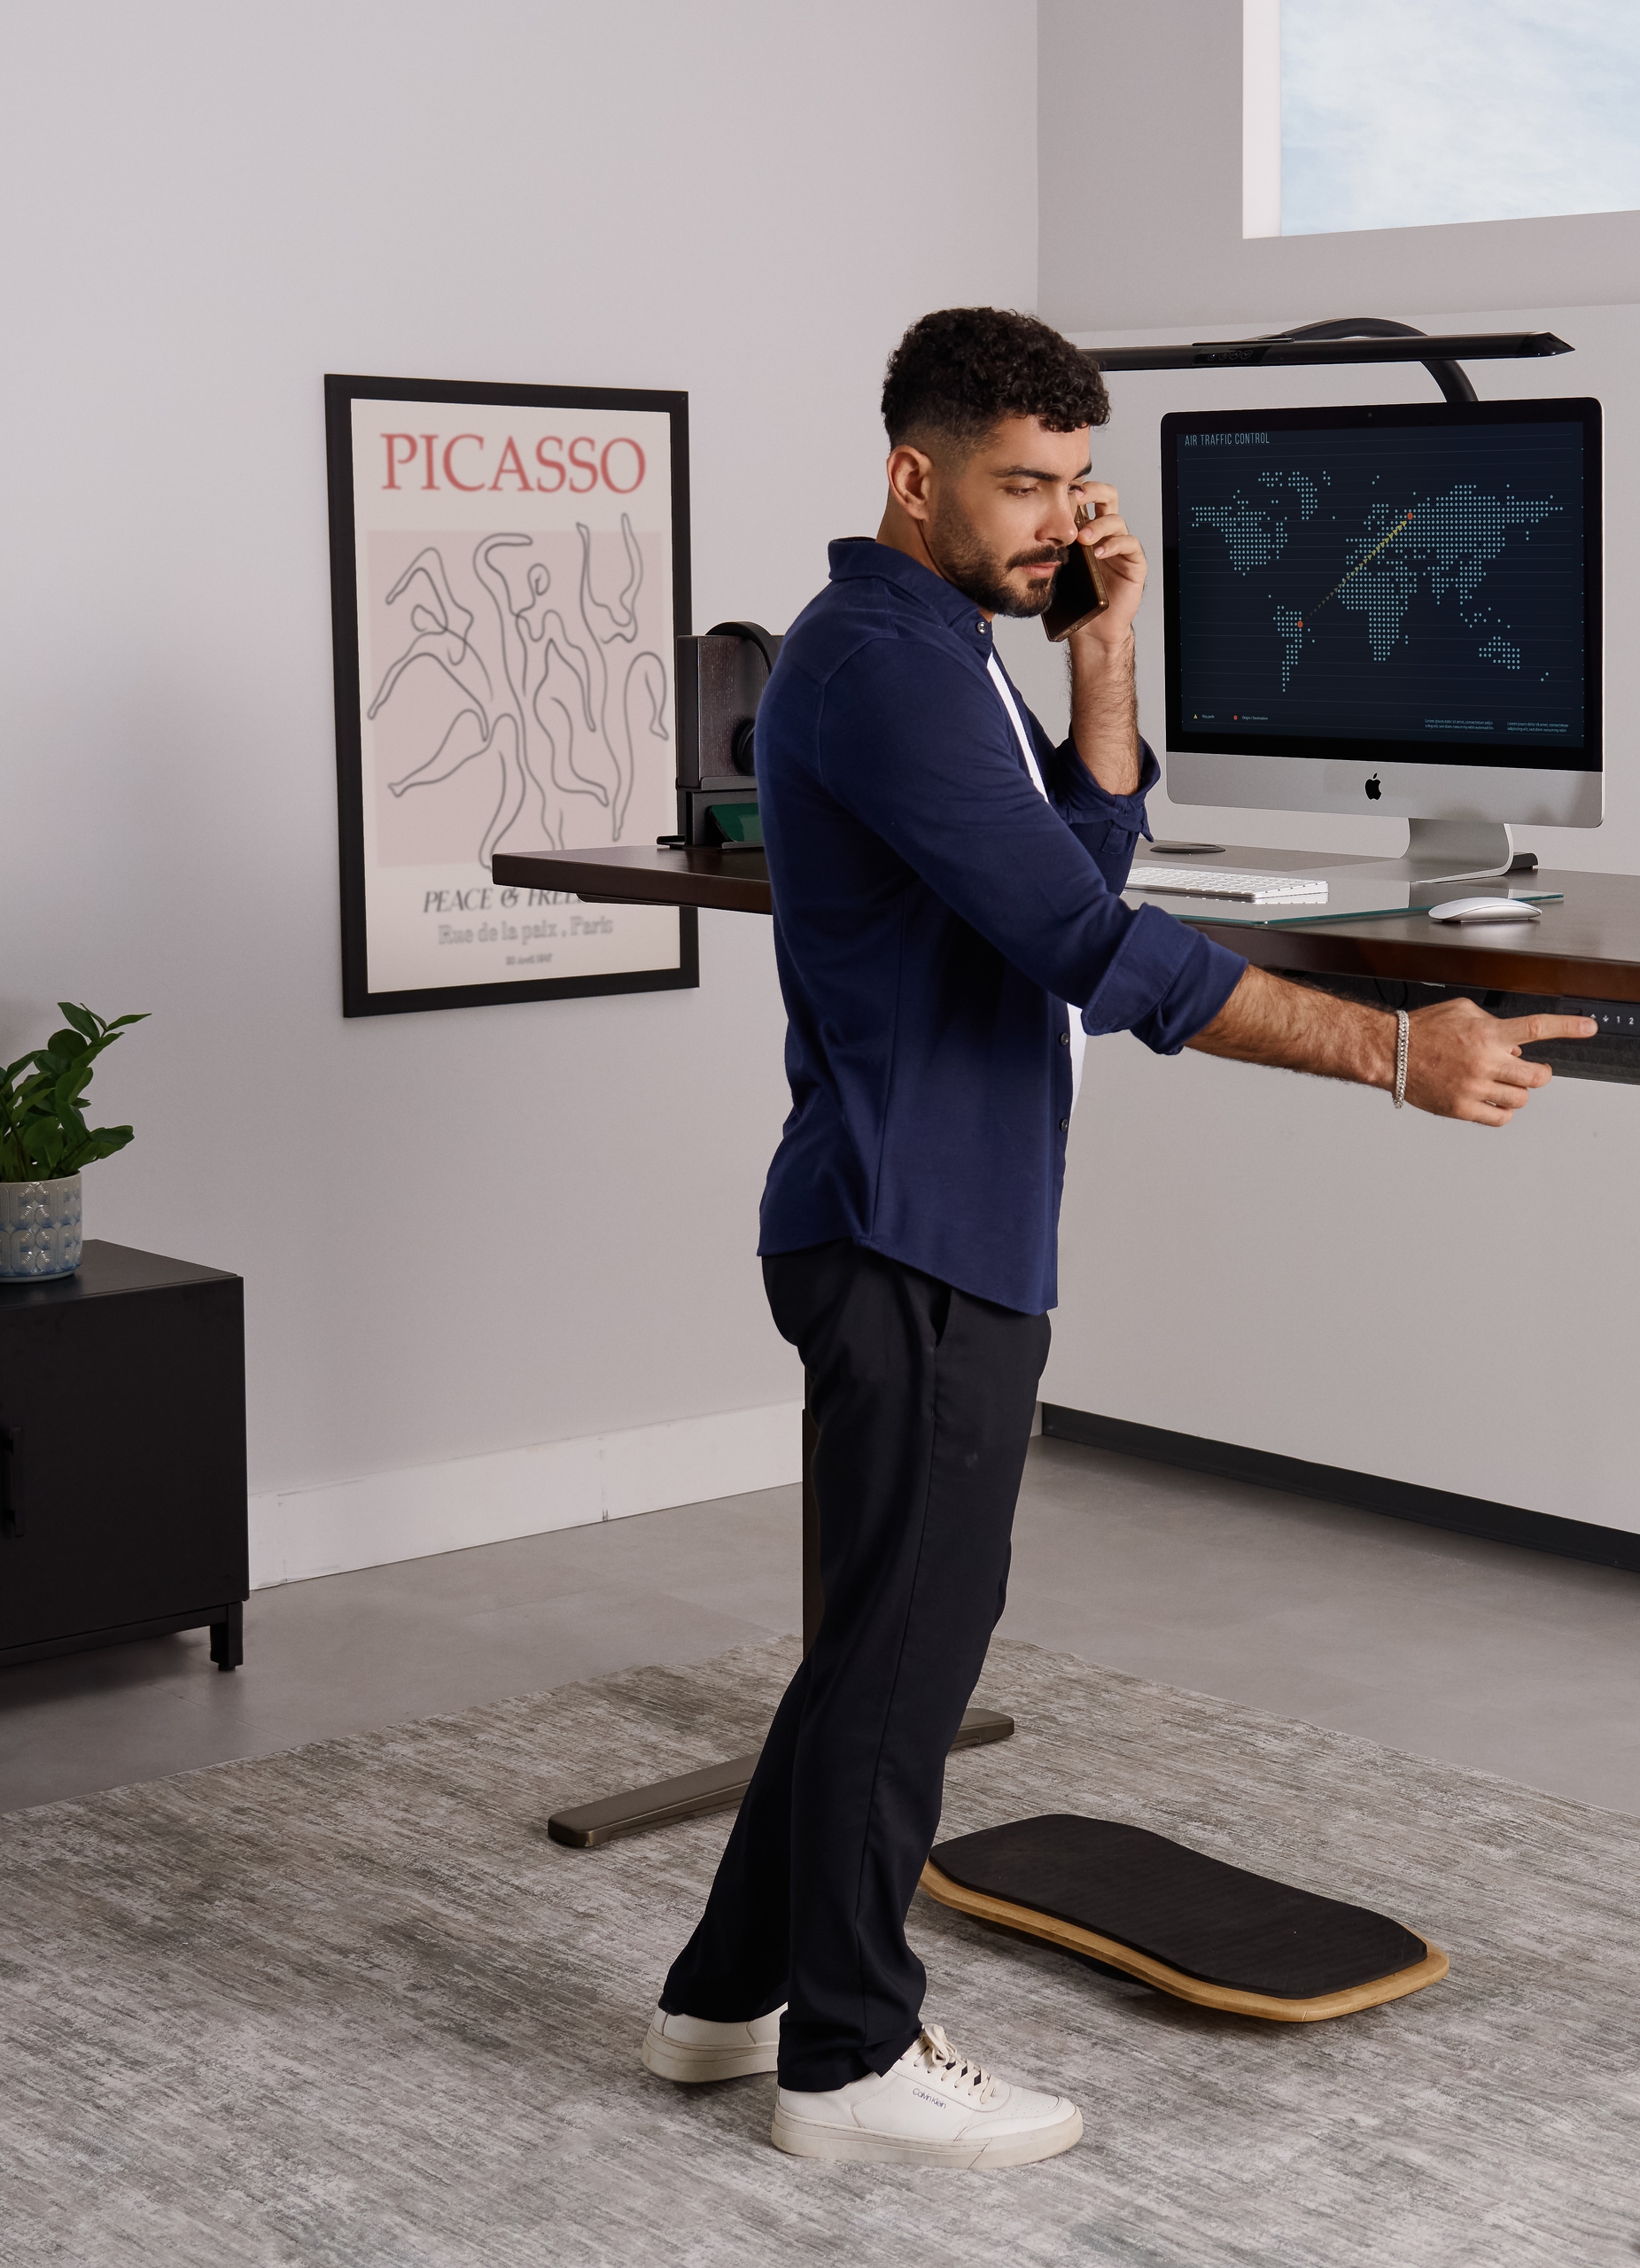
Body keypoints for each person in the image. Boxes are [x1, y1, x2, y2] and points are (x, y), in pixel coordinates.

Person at [641, 307, 1590, 2171]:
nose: (1055, 517)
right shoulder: (890, 661)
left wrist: (1101, 653)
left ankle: (721, 1996)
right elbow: (1099, 955)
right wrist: (1391, 1049)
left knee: (876, 1638)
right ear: (913, 476)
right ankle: (846, 2058)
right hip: (916, 1227)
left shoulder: (935, 647)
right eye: (1023, 485)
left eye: (1079, 485)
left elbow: (1065, 880)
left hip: (926, 1209)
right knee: (913, 1644)